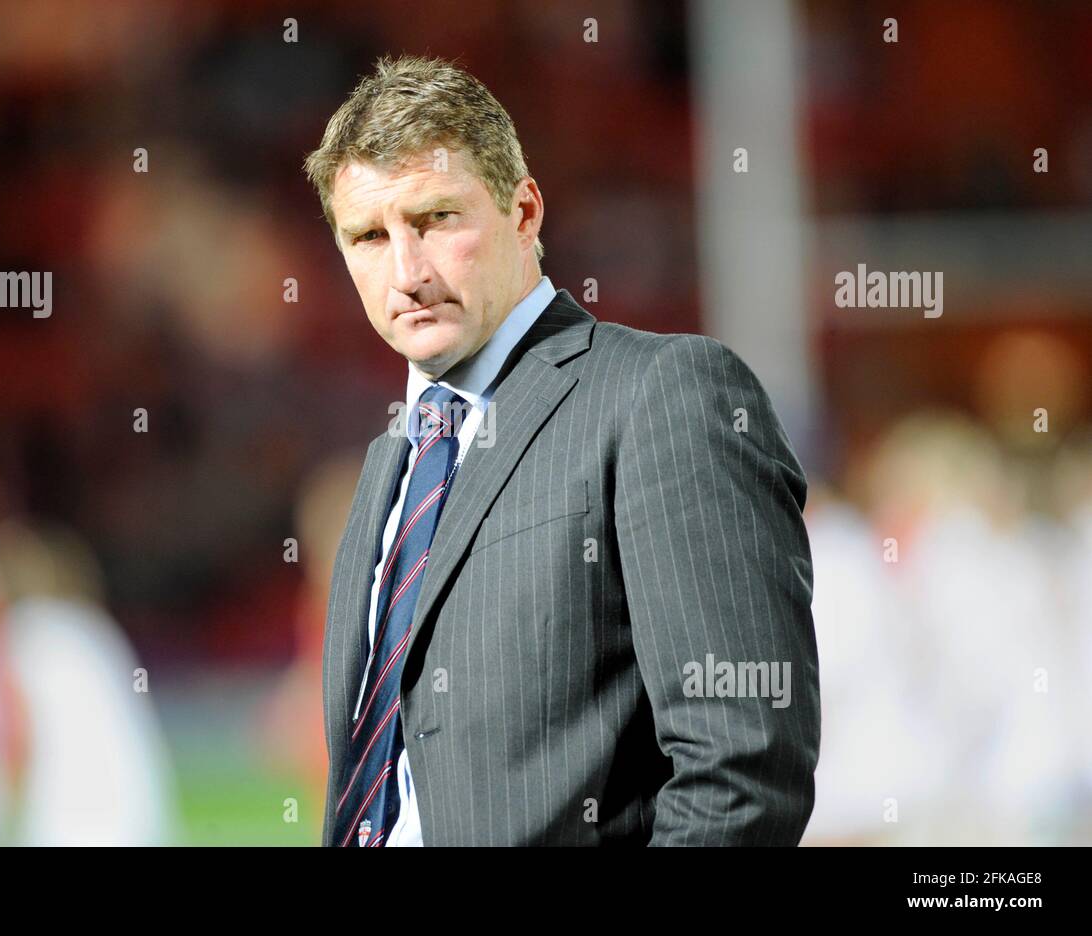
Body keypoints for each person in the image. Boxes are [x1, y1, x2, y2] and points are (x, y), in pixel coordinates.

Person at [303, 54, 820, 846]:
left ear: (523, 212)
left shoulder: (663, 392)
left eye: (437, 218)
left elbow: (743, 766)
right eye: (369, 235)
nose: (406, 271)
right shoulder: (388, 467)